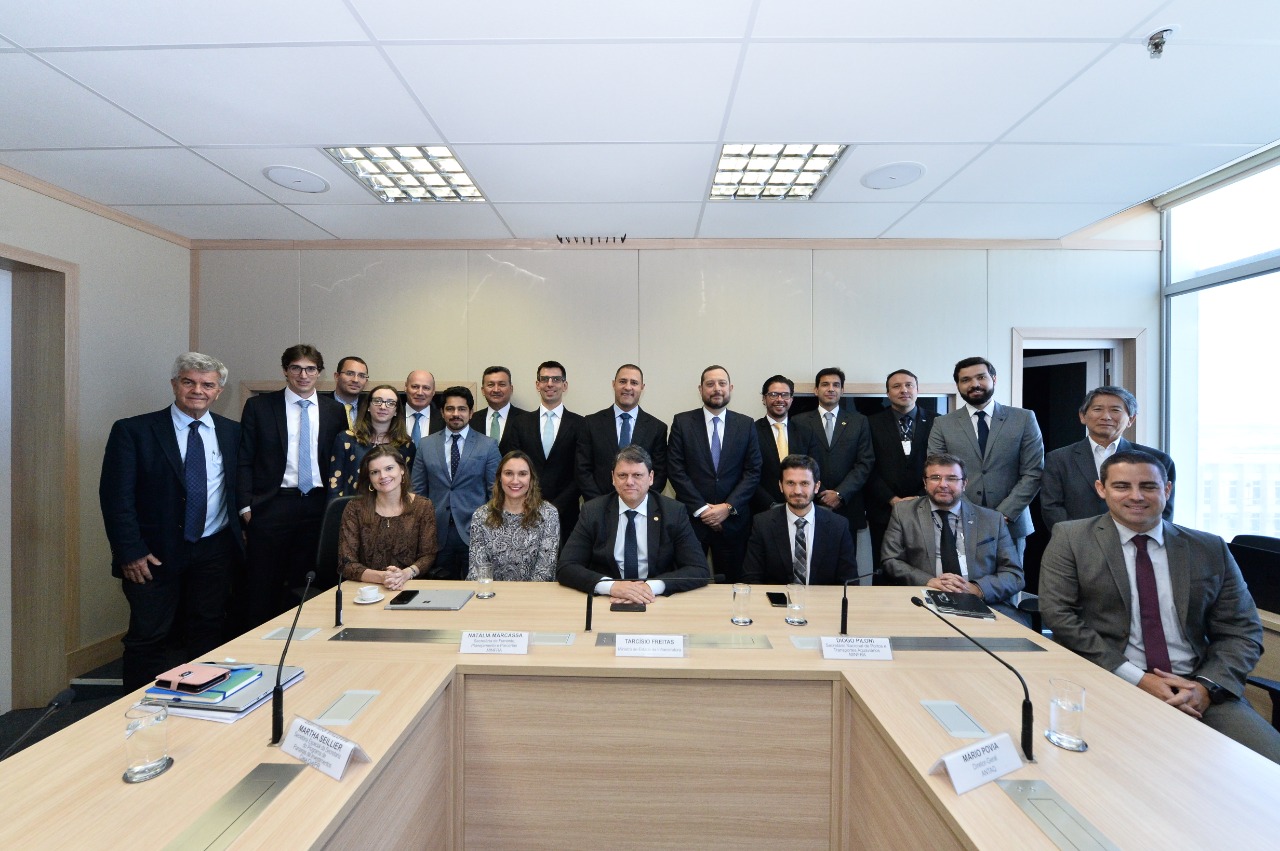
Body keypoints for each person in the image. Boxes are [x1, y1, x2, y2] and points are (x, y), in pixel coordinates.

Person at [1040, 450, 1280, 763]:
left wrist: (1204, 688)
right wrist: (1139, 679)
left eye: (1149, 486)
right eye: (1122, 486)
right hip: (1112, 679)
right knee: (1113, 767)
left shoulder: (1209, 547)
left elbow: (1242, 630)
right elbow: (1060, 617)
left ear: (1166, 489)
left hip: (1196, 687)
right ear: (1101, 489)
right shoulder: (1071, 539)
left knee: (1268, 762)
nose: (1136, 496)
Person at [99, 352, 242, 692]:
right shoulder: (134, 431)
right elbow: (116, 497)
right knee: (149, 636)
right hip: (152, 556)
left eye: (207, 385)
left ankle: (203, 700)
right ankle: (136, 708)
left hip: (213, 551)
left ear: (219, 391)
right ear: (174, 384)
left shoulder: (232, 433)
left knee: (208, 630)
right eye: (189, 382)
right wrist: (130, 551)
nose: (198, 390)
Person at [238, 344, 346, 625]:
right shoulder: (260, 407)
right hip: (272, 505)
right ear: (285, 371)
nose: (303, 375)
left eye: (310, 369)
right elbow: (244, 458)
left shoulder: (335, 410)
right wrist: (245, 506)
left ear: (320, 373)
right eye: (296, 368)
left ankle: (303, 640)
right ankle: (260, 643)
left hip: (319, 506)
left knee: (309, 583)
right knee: (263, 584)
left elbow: (340, 460)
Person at [881, 453, 1028, 624]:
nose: (943, 484)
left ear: (964, 483)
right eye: (935, 477)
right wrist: (928, 581)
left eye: (951, 478)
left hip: (983, 604)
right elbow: (890, 560)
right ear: (925, 483)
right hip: (923, 603)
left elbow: (1014, 575)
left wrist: (977, 589)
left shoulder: (991, 520)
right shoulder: (904, 513)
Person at [557, 446, 710, 601]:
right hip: (607, 600)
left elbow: (698, 569)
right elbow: (566, 567)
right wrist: (611, 586)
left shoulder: (673, 512)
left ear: (651, 478)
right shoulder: (593, 511)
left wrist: (651, 587)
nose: (629, 482)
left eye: (637, 475)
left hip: (656, 600)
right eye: (622, 475)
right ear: (613, 478)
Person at [927, 357, 1043, 556]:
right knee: (962, 576)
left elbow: (1034, 472)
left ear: (994, 379)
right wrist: (970, 514)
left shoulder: (1023, 418)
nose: (974, 384)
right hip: (959, 521)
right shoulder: (942, 424)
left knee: (1010, 576)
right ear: (958, 385)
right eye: (965, 380)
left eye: (981, 377)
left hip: (1011, 523)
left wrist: (1003, 514)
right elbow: (937, 473)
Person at [667, 365, 762, 583]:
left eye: (722, 383)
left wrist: (727, 507)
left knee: (732, 584)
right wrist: (703, 510)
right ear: (700, 389)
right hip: (692, 522)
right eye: (710, 384)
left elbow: (753, 471)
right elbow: (676, 469)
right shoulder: (682, 422)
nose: (716, 388)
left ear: (731, 388)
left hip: (734, 523)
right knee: (688, 583)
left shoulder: (746, 424)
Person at [1041, 386, 1175, 532]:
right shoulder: (1059, 459)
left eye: (1115, 410)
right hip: (1078, 540)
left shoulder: (1157, 460)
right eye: (1098, 409)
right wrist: (1077, 538)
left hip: (1136, 540)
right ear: (1082, 416)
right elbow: (1051, 507)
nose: (1106, 416)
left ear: (1131, 419)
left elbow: (1163, 510)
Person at [410, 386, 502, 579]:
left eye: (461, 409)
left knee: (478, 589)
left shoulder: (488, 445)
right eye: (450, 409)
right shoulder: (425, 445)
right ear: (442, 412)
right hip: (437, 532)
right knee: (441, 590)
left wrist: (492, 529)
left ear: (471, 412)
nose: (455, 414)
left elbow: (495, 492)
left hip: (476, 531)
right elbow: (418, 492)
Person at [792, 367, 874, 574]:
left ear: (842, 390)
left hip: (848, 505)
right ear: (816, 390)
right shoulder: (799, 421)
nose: (831, 389)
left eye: (836, 385)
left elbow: (865, 463)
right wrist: (820, 492)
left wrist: (840, 493)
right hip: (811, 504)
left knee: (845, 568)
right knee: (812, 566)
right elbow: (798, 462)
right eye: (825, 384)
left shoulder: (859, 421)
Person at [500, 360, 583, 545]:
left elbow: (581, 471)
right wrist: (531, 502)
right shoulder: (520, 423)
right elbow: (513, 468)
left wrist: (556, 507)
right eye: (544, 379)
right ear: (537, 385)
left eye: (556, 379)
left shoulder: (580, 424)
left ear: (565, 385)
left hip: (566, 515)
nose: (550, 384)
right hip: (524, 510)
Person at [741, 455, 856, 586]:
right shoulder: (762, 524)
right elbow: (751, 578)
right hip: (777, 599)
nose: (797, 491)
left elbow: (849, 582)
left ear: (817, 486)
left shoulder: (838, 526)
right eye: (790, 483)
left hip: (823, 599)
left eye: (804, 483)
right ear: (781, 486)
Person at [866, 369, 936, 579]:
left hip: (926, 507)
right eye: (896, 386)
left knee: (925, 568)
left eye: (909, 385)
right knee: (885, 568)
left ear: (917, 389)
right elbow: (867, 466)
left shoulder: (937, 421)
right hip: (884, 510)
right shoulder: (870, 423)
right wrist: (892, 499)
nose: (903, 390)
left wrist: (920, 497)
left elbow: (941, 465)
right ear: (888, 393)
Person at [338, 446, 437, 590]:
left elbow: (428, 556)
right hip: (365, 590)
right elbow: (346, 563)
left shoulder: (423, 506)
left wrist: (405, 574)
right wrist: (382, 577)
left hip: (409, 587)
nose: (383, 476)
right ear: (369, 477)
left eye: (389, 468)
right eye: (375, 472)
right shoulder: (355, 508)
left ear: (402, 470)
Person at [576, 364, 668, 501]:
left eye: (634, 383)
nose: (628, 387)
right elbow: (582, 470)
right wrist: (599, 505)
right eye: (623, 381)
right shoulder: (591, 423)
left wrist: (639, 503)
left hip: (640, 507)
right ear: (614, 384)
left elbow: (659, 474)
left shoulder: (657, 428)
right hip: (598, 506)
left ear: (642, 387)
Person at [467, 451, 560, 582]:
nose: (515, 481)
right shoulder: (481, 515)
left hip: (535, 593)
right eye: (508, 473)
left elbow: (545, 572)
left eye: (522, 474)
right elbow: (478, 571)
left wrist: (521, 595)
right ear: (500, 478)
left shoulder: (548, 514)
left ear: (531, 478)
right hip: (491, 592)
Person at [328, 383, 416, 499]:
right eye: (377, 401)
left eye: (390, 403)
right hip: (353, 507)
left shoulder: (406, 444)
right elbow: (335, 483)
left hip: (391, 507)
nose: (383, 407)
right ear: (368, 407)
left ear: (396, 411)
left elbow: (407, 485)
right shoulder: (346, 439)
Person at [751, 375, 815, 514]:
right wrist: (770, 504)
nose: (779, 399)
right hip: (762, 509)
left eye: (785, 395)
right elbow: (748, 473)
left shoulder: (805, 432)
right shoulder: (751, 431)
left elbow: (812, 471)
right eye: (773, 394)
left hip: (800, 507)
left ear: (791, 399)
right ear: (764, 398)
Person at [468, 365, 528, 442]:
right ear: (483, 390)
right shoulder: (471, 419)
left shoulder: (526, 420)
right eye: (491, 385)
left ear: (511, 389)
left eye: (502, 384)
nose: (496, 390)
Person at [327, 356, 369, 428]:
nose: (355, 380)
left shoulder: (370, 408)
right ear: (337, 376)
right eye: (350, 373)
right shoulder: (319, 406)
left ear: (366, 381)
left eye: (361, 376)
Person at [404, 369, 444, 443]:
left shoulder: (444, 419)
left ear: (433, 391)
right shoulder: (392, 417)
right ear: (406, 387)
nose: (420, 393)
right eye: (415, 387)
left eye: (426, 388)